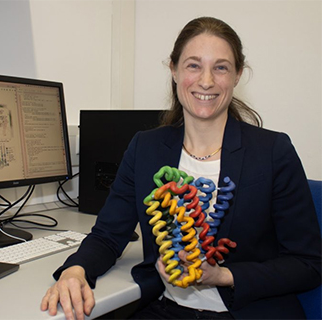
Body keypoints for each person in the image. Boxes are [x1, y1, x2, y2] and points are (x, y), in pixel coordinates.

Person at [40, 16, 321, 320]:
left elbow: (308, 264)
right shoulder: (144, 148)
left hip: (249, 313)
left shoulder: (272, 152)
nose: (206, 81)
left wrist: (223, 275)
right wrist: (75, 270)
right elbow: (108, 235)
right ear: (173, 70)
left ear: (237, 75)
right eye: (193, 65)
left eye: (221, 67)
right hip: (167, 309)